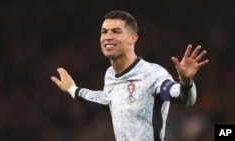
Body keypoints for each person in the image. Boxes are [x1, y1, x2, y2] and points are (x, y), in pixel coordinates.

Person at [50, 10, 209, 141]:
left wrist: (186, 81)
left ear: (133, 39)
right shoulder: (110, 75)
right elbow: (108, 99)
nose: (108, 36)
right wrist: (72, 89)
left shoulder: (152, 74)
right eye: (104, 32)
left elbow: (184, 98)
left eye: (116, 31)